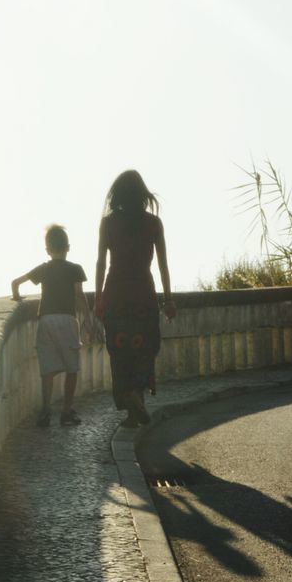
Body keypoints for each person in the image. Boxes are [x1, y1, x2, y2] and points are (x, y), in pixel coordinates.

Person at [94, 170, 176, 428]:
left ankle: (130, 405)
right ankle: (136, 399)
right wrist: (169, 299)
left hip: (115, 293)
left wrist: (98, 298)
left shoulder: (109, 223)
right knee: (144, 348)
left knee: (120, 351)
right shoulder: (153, 223)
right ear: (142, 194)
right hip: (143, 294)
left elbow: (100, 263)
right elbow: (163, 265)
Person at [11, 224, 95, 427]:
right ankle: (66, 412)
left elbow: (15, 283)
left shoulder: (44, 269)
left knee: (47, 370)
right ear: (68, 247)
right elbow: (79, 295)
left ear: (47, 249)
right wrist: (89, 321)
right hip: (67, 320)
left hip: (46, 320)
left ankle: (45, 411)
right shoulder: (75, 269)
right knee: (72, 368)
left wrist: (16, 296)